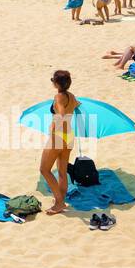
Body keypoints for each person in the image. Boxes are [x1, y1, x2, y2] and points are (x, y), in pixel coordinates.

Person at [39, 70, 79, 215]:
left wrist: (53, 126)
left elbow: (61, 114)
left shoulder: (59, 97)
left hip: (58, 137)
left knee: (44, 170)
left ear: (56, 83)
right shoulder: (72, 96)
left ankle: (60, 202)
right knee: (62, 172)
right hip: (69, 135)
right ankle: (60, 200)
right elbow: (76, 106)